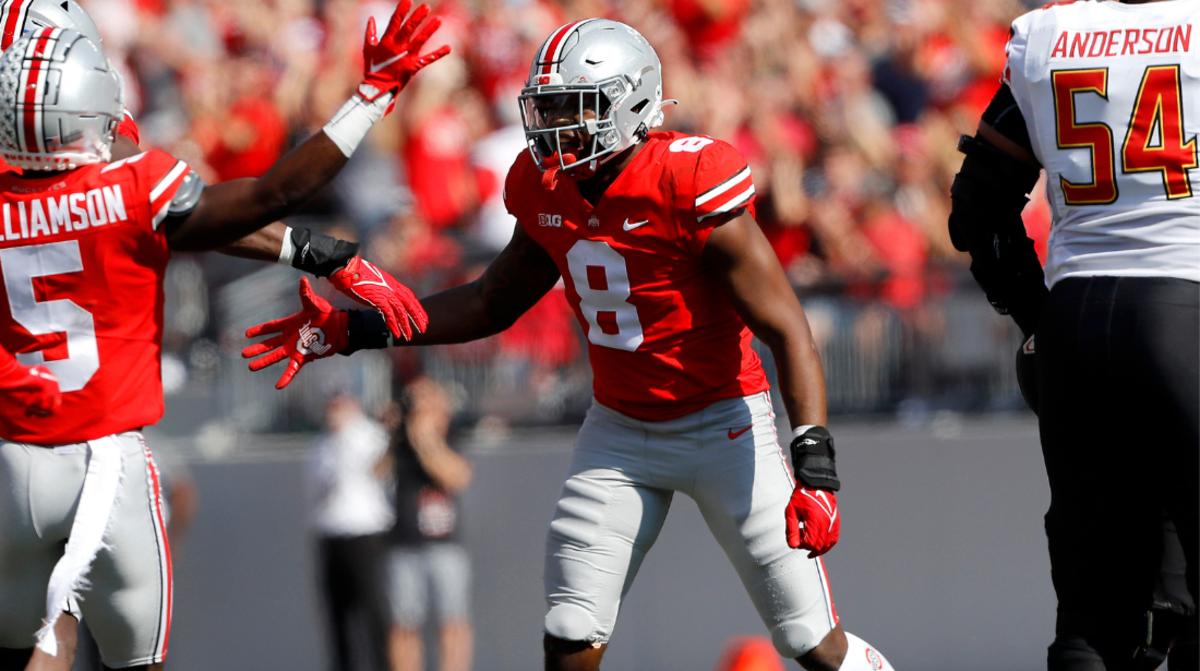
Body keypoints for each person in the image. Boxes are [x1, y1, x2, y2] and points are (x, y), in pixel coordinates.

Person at [246, 18, 895, 671]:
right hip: (620, 431)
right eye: (547, 105)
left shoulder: (688, 178)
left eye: (574, 106)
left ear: (631, 101)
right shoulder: (542, 184)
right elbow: (488, 301)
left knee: (811, 642)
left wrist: (816, 465)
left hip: (726, 423)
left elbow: (786, 325)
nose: (553, 124)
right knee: (570, 637)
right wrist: (354, 328)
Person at [0, 5, 449, 670]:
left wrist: (327, 253)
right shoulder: (133, 183)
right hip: (104, 455)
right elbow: (261, 196)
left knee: (34, 643)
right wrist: (372, 94)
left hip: (11, 458)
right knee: (127, 656)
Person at [948, 1, 1198, 668]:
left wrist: (1042, 323)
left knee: (1092, 616)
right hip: (1185, 310)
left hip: (1078, 320)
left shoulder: (1052, 34)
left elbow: (976, 209)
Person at [386, 377, 473, 671]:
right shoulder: (397, 442)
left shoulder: (448, 437)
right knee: (403, 627)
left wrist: (425, 440)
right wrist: (393, 433)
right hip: (403, 544)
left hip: (443, 545)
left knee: (452, 624)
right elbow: (373, 473)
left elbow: (456, 476)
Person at [310, 393, 395, 671]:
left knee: (374, 612)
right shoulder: (322, 444)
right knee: (337, 614)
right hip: (332, 535)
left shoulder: (370, 436)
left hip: (365, 535)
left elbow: (379, 474)